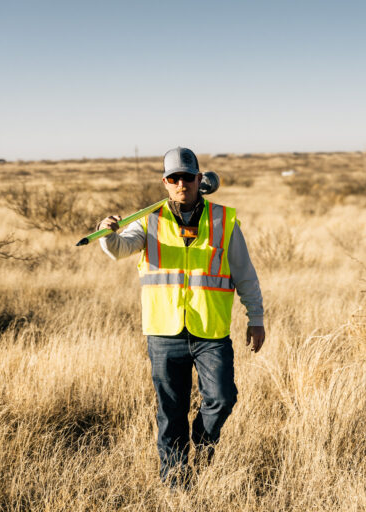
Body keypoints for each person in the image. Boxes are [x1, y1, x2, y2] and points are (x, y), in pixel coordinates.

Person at [97, 146, 265, 485]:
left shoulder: (224, 220)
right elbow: (119, 249)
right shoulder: (148, 220)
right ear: (165, 182)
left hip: (210, 332)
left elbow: (245, 274)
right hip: (164, 332)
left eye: (187, 177)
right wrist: (107, 231)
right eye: (173, 178)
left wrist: (256, 318)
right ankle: (175, 482)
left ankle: (202, 443)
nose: (181, 183)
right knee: (171, 412)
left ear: (199, 179)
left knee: (222, 398)